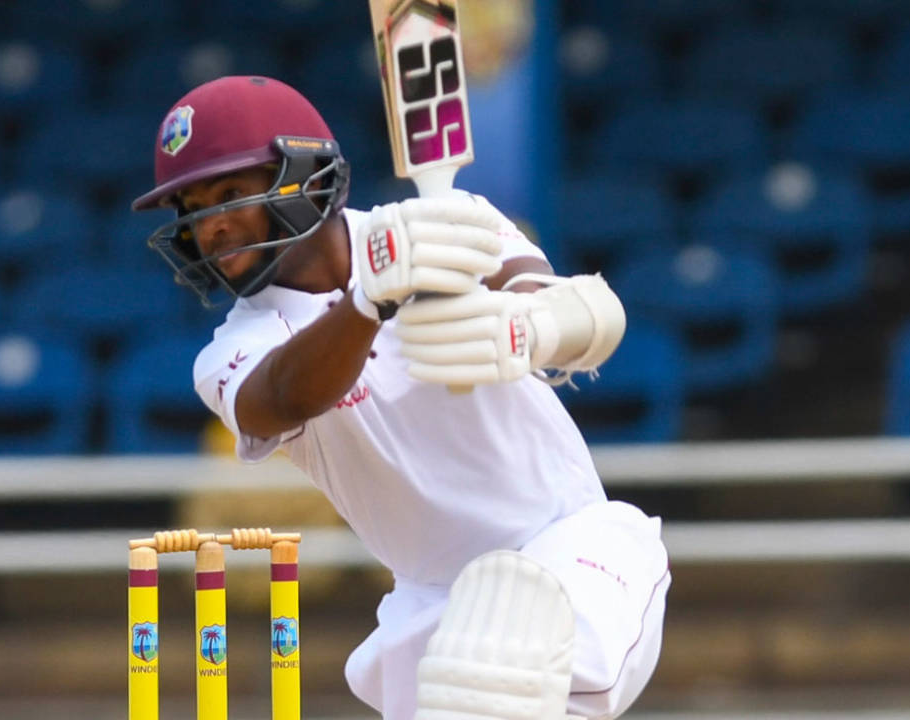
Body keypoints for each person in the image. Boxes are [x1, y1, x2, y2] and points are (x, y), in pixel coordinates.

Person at [132, 75, 670, 720]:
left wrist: (529, 327)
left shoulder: (446, 225)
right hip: (430, 609)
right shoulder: (231, 353)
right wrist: (370, 302)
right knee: (473, 665)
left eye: (228, 194)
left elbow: (589, 312)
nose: (211, 227)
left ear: (305, 173)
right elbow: (283, 396)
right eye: (192, 210)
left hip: (575, 552)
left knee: (496, 655)